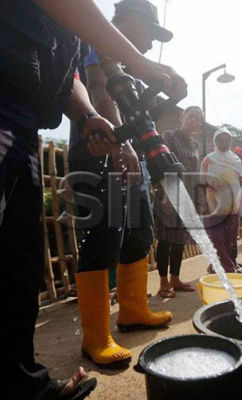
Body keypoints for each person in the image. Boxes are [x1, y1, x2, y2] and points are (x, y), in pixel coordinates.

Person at [0, 0, 186, 400]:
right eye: (147, 35)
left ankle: (23, 390)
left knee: (14, 272)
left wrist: (86, 115)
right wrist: (139, 63)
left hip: (21, 116)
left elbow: (66, 67)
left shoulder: (82, 32)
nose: (149, 44)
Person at [67, 0, 175, 370]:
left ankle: (132, 309)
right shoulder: (95, 43)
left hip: (130, 159)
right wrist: (122, 144)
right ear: (130, 21)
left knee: (137, 234)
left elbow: (144, 108)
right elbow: (97, 89)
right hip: (100, 154)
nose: (149, 45)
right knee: (103, 238)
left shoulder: (128, 65)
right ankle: (95, 337)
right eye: (150, 33)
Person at [152, 106, 204, 297]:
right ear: (182, 117)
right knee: (165, 238)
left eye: (198, 119)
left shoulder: (195, 145)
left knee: (180, 239)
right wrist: (164, 193)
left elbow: (196, 174)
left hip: (188, 197)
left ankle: (175, 278)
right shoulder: (169, 136)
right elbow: (161, 163)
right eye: (191, 116)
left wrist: (199, 200)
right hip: (168, 193)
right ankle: (163, 282)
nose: (193, 121)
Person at [200, 128, 242, 273]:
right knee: (216, 238)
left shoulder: (236, 159)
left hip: (233, 205)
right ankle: (229, 268)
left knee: (230, 239)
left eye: (227, 140)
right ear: (215, 141)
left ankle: (217, 265)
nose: (224, 143)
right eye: (220, 140)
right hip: (214, 205)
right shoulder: (208, 160)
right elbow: (202, 182)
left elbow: (241, 181)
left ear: (231, 141)